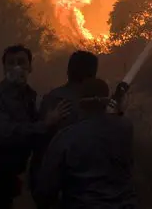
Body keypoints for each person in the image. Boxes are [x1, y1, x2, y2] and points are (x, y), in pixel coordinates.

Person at [0, 44, 71, 209]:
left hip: (6, 178)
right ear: (4, 68)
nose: (17, 67)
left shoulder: (27, 97)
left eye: (21, 62)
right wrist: (45, 124)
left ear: (30, 67)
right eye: (11, 63)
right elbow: (5, 135)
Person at [33, 78, 137, 209]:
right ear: (107, 102)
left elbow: (44, 192)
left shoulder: (65, 139)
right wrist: (118, 109)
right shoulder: (126, 128)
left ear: (79, 104)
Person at [29, 50, 100, 199]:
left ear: (68, 71)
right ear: (93, 75)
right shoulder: (92, 103)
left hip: (49, 178)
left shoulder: (52, 98)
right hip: (77, 183)